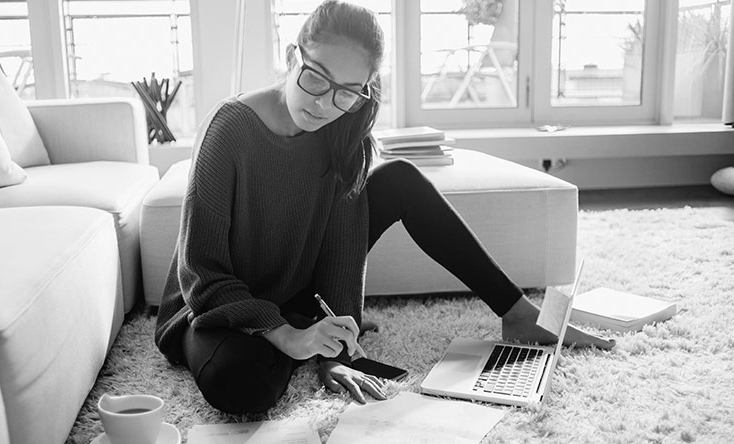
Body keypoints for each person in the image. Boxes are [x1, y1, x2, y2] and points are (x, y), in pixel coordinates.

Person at [154, 0, 614, 415]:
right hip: (215, 304)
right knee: (242, 387)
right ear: (293, 56)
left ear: (364, 91)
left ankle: (515, 312)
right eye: (315, 77)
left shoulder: (343, 131)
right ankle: (297, 335)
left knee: (399, 180)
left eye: (347, 92)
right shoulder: (229, 130)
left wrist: (337, 351)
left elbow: (341, 249)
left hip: (294, 287)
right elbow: (202, 273)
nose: (323, 102)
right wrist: (285, 334)